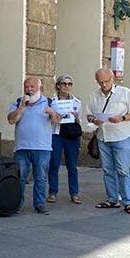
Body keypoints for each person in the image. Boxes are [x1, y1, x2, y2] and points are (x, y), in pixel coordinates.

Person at [85, 68, 130, 214]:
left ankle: (128, 201)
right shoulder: (93, 95)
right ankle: (112, 199)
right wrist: (93, 119)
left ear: (112, 78)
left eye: (106, 81)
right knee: (108, 170)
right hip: (103, 136)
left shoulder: (125, 93)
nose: (103, 85)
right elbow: (89, 114)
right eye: (100, 82)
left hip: (121, 135)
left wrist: (121, 118)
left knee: (123, 170)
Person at [7, 77, 61, 214]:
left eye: (32, 87)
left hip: (42, 148)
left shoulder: (49, 102)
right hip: (21, 148)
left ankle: (39, 203)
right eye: (27, 87)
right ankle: (17, 204)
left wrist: (53, 113)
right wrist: (22, 108)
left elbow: (58, 121)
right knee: (20, 177)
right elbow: (11, 120)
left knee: (41, 177)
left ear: (39, 88)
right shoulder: (18, 102)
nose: (29, 89)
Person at [47, 75, 82, 204]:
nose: (67, 86)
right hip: (56, 133)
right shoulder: (52, 101)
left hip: (71, 135)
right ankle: (52, 192)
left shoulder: (76, 102)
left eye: (70, 84)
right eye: (64, 84)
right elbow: (48, 121)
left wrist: (77, 117)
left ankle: (74, 193)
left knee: (72, 165)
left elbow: (80, 121)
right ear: (58, 86)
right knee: (54, 164)